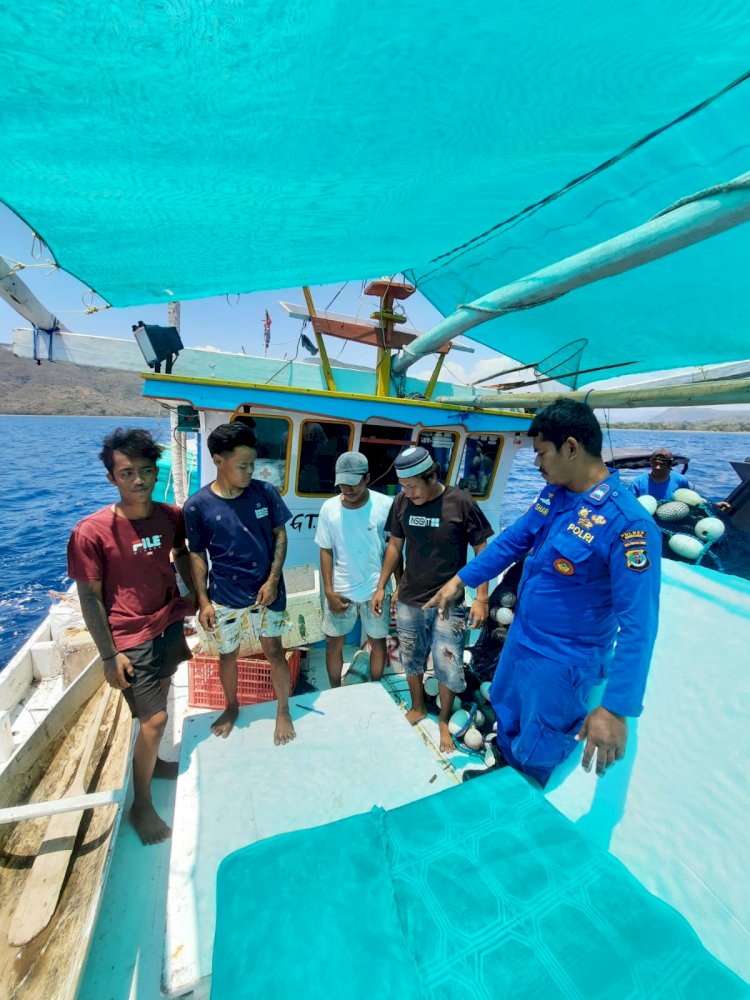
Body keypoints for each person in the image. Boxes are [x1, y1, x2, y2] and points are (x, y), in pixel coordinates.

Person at [425, 399, 661, 786]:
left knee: (540, 739)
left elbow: (640, 626)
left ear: (571, 447)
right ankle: (499, 774)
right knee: (508, 713)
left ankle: (520, 808)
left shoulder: (628, 525)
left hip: (563, 661)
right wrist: (461, 580)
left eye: (541, 453)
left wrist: (616, 709)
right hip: (522, 641)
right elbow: (511, 542)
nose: (537, 463)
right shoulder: (555, 496)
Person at [67, 428, 195, 846]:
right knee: (156, 719)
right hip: (129, 635)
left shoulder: (170, 516)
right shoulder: (91, 532)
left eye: (146, 471)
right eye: (127, 473)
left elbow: (179, 553)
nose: (138, 480)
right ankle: (141, 804)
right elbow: (90, 597)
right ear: (111, 478)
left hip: (168, 620)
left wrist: (195, 597)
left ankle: (154, 762)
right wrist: (108, 655)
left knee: (160, 693)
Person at [371, 446, 493, 753]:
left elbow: (483, 550)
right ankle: (417, 706)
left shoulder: (461, 502)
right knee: (410, 657)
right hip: (410, 598)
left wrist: (481, 598)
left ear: (432, 476)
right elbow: (395, 547)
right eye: (403, 486)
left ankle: (442, 719)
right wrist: (382, 586)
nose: (408, 492)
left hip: (448, 603)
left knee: (447, 663)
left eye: (413, 486)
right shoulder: (401, 502)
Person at [184, 422, 294, 743]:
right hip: (225, 594)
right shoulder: (196, 506)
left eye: (253, 465)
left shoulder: (265, 493)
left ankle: (283, 708)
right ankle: (232, 706)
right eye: (243, 465)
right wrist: (203, 600)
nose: (250, 472)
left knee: (275, 651)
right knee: (227, 654)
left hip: (267, 592)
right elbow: (197, 554)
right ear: (219, 461)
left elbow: (280, 535)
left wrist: (273, 581)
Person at [315, 452, 395, 687]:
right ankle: (334, 689)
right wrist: (329, 591)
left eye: (353, 483)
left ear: (367, 478)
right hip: (341, 589)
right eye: (342, 484)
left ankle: (376, 686)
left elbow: (394, 550)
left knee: (378, 641)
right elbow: (326, 550)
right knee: (333, 643)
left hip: (376, 591)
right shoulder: (328, 508)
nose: (347, 489)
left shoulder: (385, 505)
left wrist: (391, 588)